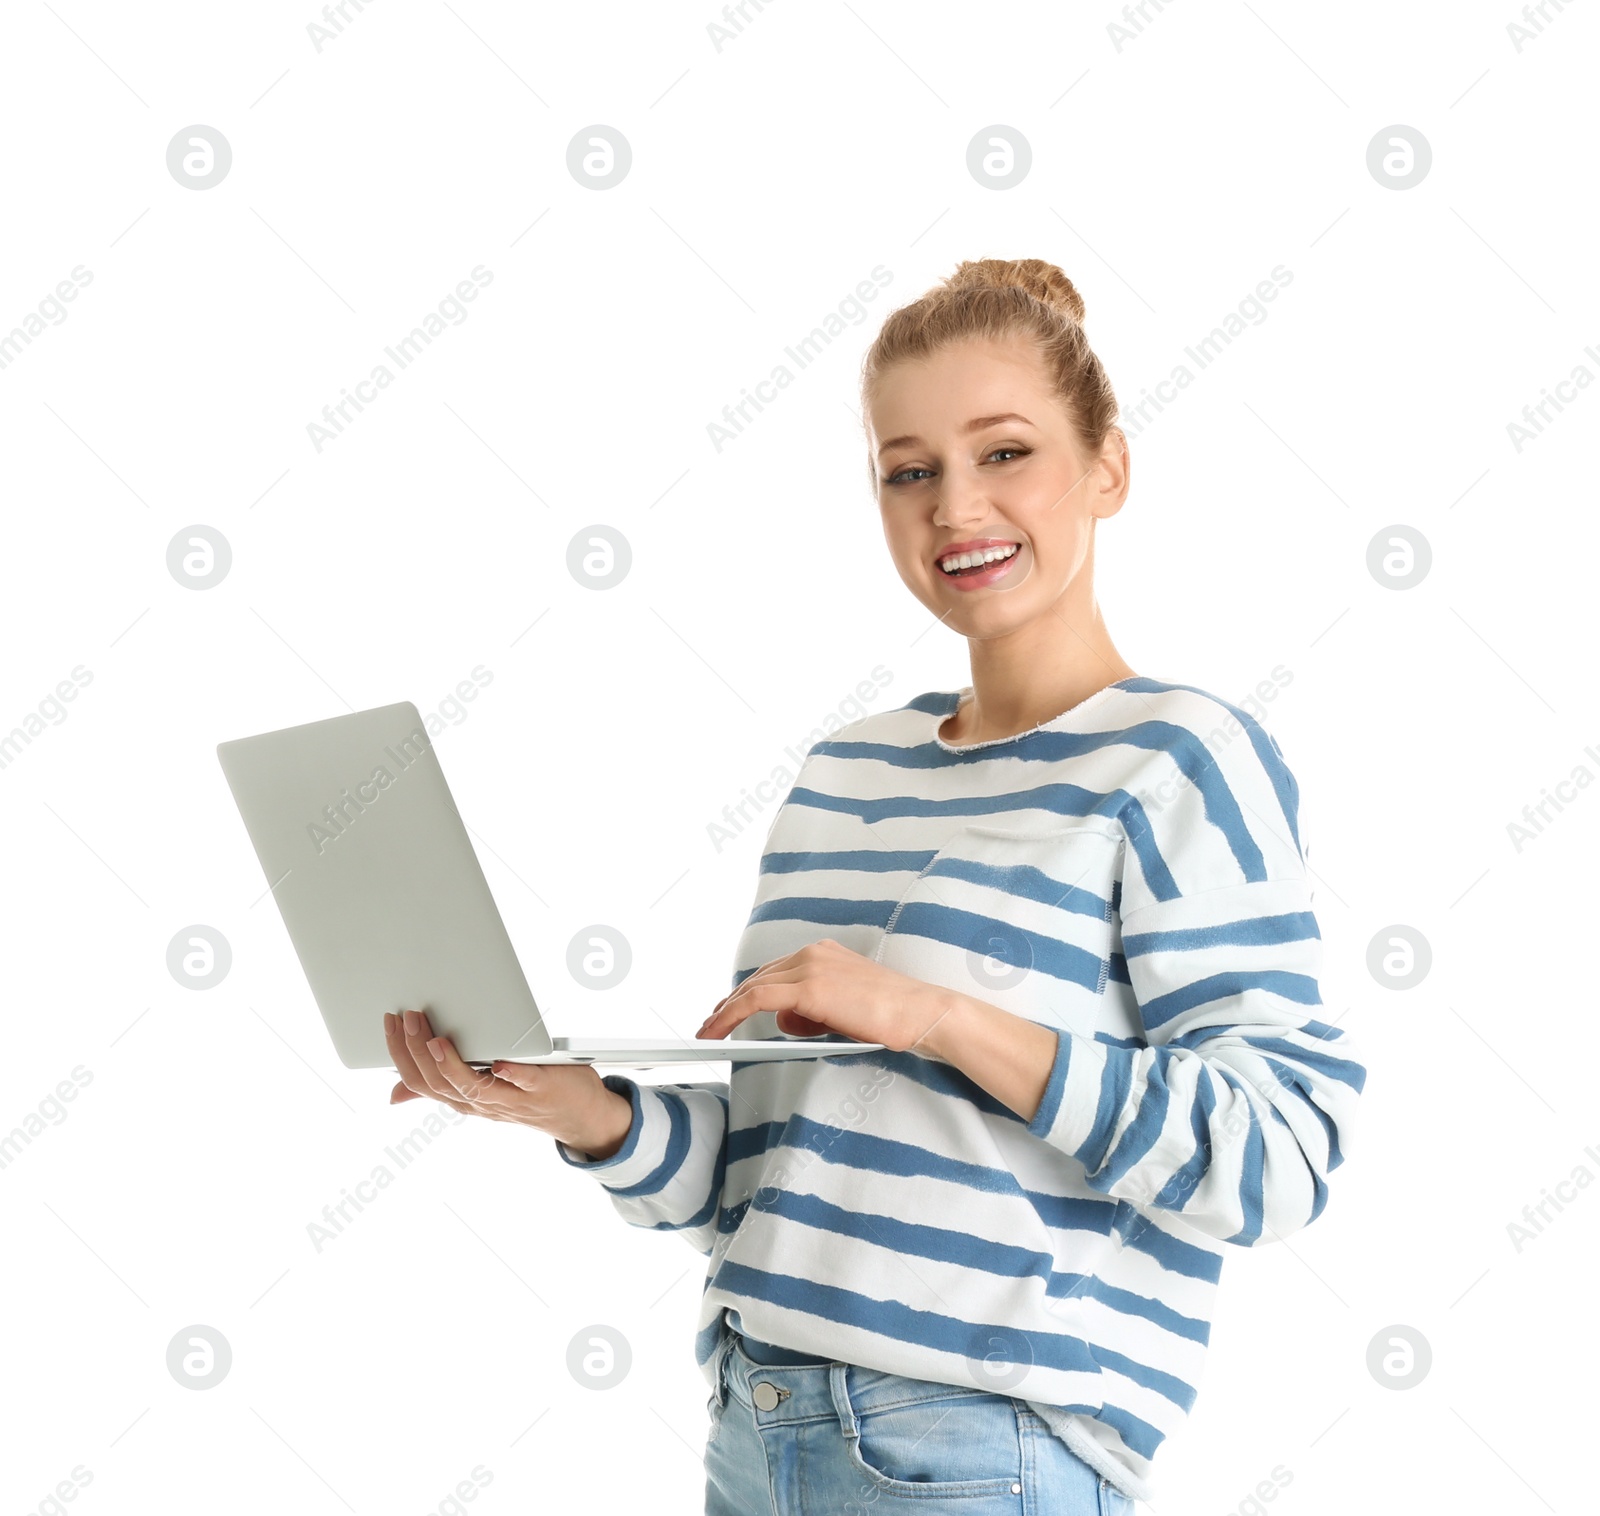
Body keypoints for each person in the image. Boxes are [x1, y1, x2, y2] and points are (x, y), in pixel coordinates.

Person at [383, 257, 1368, 1514]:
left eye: (1004, 452)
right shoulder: (847, 772)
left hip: (978, 1451)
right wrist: (589, 1114)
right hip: (756, 1423)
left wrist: (936, 1014)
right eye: (909, 470)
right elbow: (774, 1180)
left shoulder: (1180, 758)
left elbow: (1280, 1154)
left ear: (1107, 467)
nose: (956, 506)